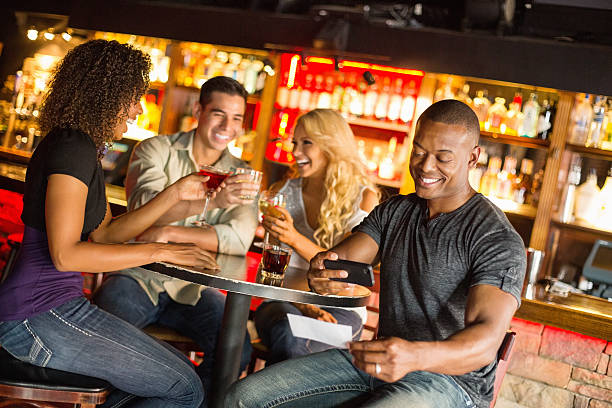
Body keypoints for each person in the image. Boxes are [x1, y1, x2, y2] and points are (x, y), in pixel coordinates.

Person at [226, 99, 527, 408]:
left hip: (451, 385)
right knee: (243, 397)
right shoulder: (395, 211)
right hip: (378, 364)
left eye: (443, 158)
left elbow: (486, 344)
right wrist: (322, 271)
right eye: (420, 151)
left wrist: (414, 356)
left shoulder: (495, 237)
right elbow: (341, 261)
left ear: (473, 158)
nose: (425, 166)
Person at [0, 39, 217, 408]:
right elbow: (66, 255)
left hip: (56, 307)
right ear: (105, 92)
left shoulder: (83, 146)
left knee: (180, 374)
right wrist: (160, 250)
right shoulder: (73, 148)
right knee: (185, 387)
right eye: (132, 97)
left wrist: (176, 193)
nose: (137, 109)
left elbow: (104, 233)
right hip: (35, 315)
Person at [93, 76, 258, 393]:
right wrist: (214, 205)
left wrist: (167, 230)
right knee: (105, 331)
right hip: (139, 275)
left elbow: (238, 242)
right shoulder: (155, 150)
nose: (228, 125)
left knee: (237, 348)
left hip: (196, 287)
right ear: (198, 110)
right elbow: (141, 214)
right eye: (219, 113)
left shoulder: (242, 175)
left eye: (237, 118)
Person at [254, 109, 378, 365]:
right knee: (289, 332)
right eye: (295, 143)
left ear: (332, 146)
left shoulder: (363, 198)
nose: (296, 152)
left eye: (306, 143)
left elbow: (345, 274)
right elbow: (269, 273)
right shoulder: (282, 193)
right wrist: (301, 304)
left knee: (296, 340)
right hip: (283, 302)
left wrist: (294, 238)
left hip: (340, 311)